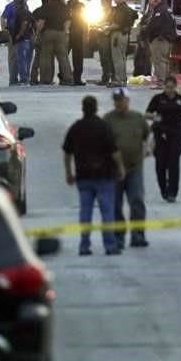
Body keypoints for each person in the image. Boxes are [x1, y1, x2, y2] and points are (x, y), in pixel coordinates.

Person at [63, 96, 126, 256]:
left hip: (84, 176)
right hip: (104, 176)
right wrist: (120, 168)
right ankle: (110, 245)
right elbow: (114, 151)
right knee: (107, 212)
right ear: (96, 108)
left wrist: (69, 173)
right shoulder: (103, 127)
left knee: (85, 212)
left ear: (83, 109)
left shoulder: (76, 128)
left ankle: (84, 246)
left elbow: (67, 152)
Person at [104, 87, 150, 249]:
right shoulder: (108, 120)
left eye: (122, 100)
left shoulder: (137, 118)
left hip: (134, 167)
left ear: (128, 101)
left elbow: (148, 136)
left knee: (137, 200)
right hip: (114, 170)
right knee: (115, 204)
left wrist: (148, 149)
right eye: (116, 100)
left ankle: (138, 234)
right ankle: (119, 236)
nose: (119, 103)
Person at [145, 75, 181, 202]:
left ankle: (172, 192)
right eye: (167, 87)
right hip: (160, 134)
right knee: (160, 165)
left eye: (171, 88)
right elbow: (147, 114)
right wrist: (155, 118)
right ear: (164, 87)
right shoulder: (158, 99)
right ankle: (164, 189)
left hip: (176, 134)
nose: (169, 90)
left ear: (175, 87)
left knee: (173, 163)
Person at [35, 0, 73, 86]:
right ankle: (68, 79)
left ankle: (45, 80)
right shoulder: (64, 7)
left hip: (48, 33)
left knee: (46, 57)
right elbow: (68, 21)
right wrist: (66, 32)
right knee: (63, 57)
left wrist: (37, 33)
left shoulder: (46, 6)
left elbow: (41, 22)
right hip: (61, 33)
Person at [142, 0, 177, 88]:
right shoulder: (168, 9)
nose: (151, 6)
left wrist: (146, 30)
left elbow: (154, 26)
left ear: (155, 1)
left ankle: (161, 82)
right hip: (168, 39)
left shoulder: (160, 11)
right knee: (165, 61)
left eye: (151, 4)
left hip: (160, 39)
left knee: (159, 60)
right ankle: (166, 82)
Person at [110, 0, 138, 86]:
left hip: (118, 35)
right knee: (121, 58)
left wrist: (106, 28)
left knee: (117, 59)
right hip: (124, 35)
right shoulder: (127, 8)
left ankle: (119, 80)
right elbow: (136, 15)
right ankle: (122, 79)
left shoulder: (121, 9)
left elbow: (117, 24)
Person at [1, 0, 27, 85]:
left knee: (21, 57)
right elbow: (3, 18)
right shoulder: (10, 6)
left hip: (22, 34)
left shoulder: (25, 6)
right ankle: (13, 80)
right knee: (13, 57)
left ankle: (22, 79)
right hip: (12, 33)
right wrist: (4, 32)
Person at [11, 0, 35, 85]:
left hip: (21, 39)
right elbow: (33, 24)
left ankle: (24, 80)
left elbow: (24, 23)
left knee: (21, 61)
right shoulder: (28, 12)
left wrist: (19, 34)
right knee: (26, 61)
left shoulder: (20, 11)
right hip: (28, 39)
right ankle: (26, 79)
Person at [67, 0, 88, 86]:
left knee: (78, 58)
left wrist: (86, 33)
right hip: (68, 33)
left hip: (78, 34)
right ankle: (64, 77)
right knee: (64, 57)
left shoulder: (81, 5)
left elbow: (85, 20)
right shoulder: (66, 5)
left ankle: (77, 78)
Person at [96, 0, 115, 85]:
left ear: (109, 1)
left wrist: (106, 25)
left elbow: (115, 23)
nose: (102, 2)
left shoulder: (114, 11)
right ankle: (105, 78)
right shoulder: (101, 11)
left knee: (109, 58)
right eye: (101, 1)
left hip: (109, 37)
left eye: (104, 1)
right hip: (101, 36)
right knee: (103, 58)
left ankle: (112, 78)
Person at [29, 0, 47, 85]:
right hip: (44, 36)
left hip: (36, 36)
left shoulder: (36, 11)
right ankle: (44, 79)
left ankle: (33, 78)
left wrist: (34, 34)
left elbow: (31, 23)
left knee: (37, 58)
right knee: (46, 59)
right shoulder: (47, 10)